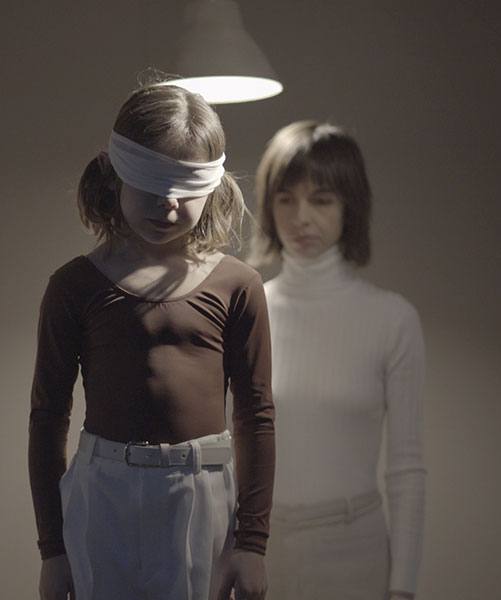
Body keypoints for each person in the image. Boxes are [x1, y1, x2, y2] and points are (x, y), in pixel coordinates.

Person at [28, 84, 275, 600]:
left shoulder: (238, 286)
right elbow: (48, 416)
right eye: (152, 182)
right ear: (115, 172)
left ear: (213, 186)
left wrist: (252, 541)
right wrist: (53, 549)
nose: (169, 203)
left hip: (203, 493)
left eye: (187, 186)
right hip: (103, 495)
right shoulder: (74, 286)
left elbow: (255, 414)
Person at [253, 120, 426, 600]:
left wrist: (403, 588)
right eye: (286, 199)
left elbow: (407, 467)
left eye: (321, 200)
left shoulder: (392, 318)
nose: (301, 217)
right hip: (260, 545)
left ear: (350, 206)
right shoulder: (246, 312)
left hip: (354, 545)